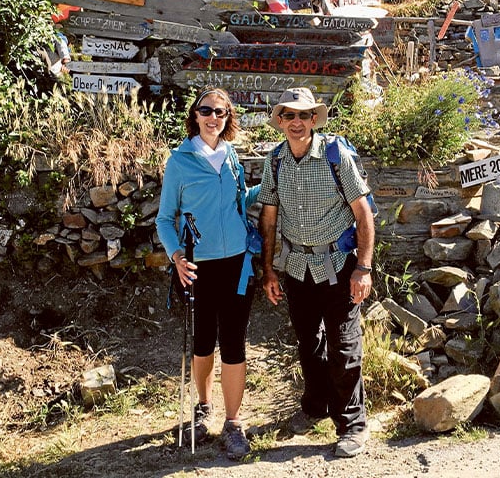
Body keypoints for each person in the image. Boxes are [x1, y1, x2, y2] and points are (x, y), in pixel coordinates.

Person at [257, 88, 374, 458]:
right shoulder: (275, 161)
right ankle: (315, 406)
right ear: (280, 122)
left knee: (343, 345)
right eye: (289, 116)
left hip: (339, 267)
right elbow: (269, 218)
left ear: (314, 120)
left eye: (303, 116)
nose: (296, 123)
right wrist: (269, 271)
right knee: (308, 343)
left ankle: (352, 424)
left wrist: (364, 268)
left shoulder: (335, 156)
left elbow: (363, 214)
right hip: (296, 267)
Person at [155, 87, 259, 461]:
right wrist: (176, 256)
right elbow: (165, 219)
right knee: (203, 342)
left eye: (221, 111)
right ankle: (203, 406)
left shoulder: (231, 157)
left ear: (228, 117)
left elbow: (240, 202)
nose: (213, 117)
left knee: (233, 342)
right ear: (195, 115)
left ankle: (233, 423)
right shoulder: (179, 162)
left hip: (237, 264)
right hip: (197, 268)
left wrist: (271, 188)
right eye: (207, 111)